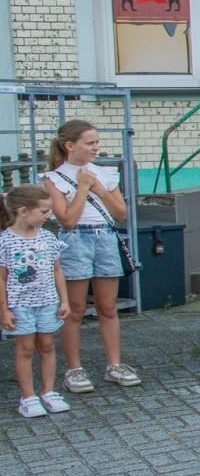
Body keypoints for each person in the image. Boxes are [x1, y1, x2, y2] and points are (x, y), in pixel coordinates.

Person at [43, 120, 140, 393]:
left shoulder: (104, 173)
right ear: (70, 145)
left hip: (105, 238)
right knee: (74, 309)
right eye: (90, 143)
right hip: (75, 240)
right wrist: (83, 187)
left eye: (97, 142)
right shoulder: (54, 178)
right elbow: (67, 220)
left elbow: (120, 213)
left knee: (107, 307)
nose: (96, 147)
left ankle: (114, 365)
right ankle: (74, 369)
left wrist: (98, 188)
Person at [1, 185, 70, 417]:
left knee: (47, 345)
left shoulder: (48, 238)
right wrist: (4, 310)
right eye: (43, 211)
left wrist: (64, 300)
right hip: (20, 305)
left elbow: (57, 270)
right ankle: (28, 397)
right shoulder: (5, 241)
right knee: (26, 348)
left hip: (47, 301)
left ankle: (48, 392)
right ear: (23, 211)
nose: (48, 215)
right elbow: (1, 278)